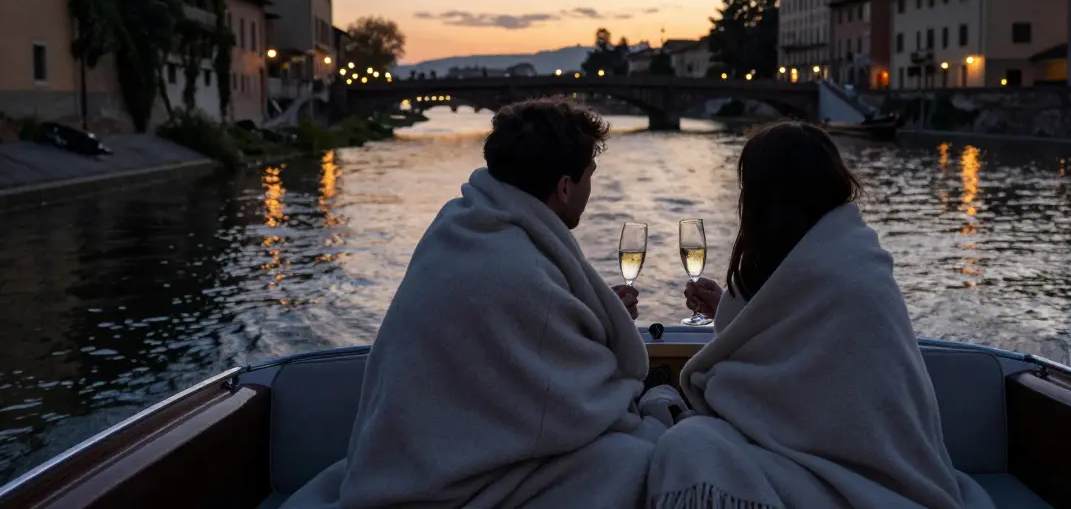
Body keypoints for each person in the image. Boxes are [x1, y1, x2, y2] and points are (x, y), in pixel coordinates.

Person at [284, 98, 682, 509]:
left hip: (406, 456)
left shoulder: (456, 226)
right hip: (446, 486)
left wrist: (581, 317)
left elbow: (521, 334)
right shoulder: (522, 271)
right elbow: (578, 403)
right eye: (589, 177)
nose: (589, 190)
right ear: (565, 187)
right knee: (637, 458)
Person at [650, 121, 995, 509]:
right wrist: (734, 314)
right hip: (892, 472)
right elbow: (796, 348)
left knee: (690, 445)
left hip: (851, 482)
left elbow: (767, 386)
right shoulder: (856, 260)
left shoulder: (825, 273)